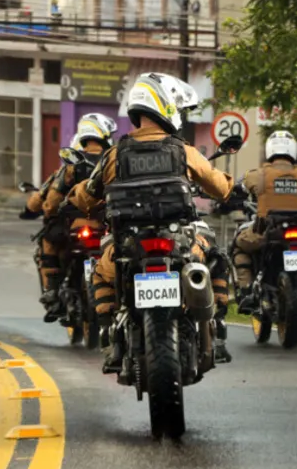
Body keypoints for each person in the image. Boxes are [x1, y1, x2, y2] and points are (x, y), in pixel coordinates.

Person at [66, 72, 235, 369]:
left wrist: (72, 198)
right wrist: (233, 188)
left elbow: (87, 196)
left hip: (127, 246)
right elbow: (219, 186)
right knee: (217, 256)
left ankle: (110, 337)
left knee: (99, 273)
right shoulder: (183, 150)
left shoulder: (114, 156)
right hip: (180, 243)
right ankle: (217, 330)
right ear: (167, 106)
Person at [24, 114, 117, 322]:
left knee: (48, 242)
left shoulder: (72, 165)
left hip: (75, 228)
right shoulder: (113, 159)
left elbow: (52, 201)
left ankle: (53, 292)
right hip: (107, 225)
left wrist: (50, 213)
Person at [231, 131, 297, 314]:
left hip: (266, 234)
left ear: (269, 150)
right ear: (293, 151)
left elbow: (237, 188)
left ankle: (247, 290)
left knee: (239, 246)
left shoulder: (257, 175)